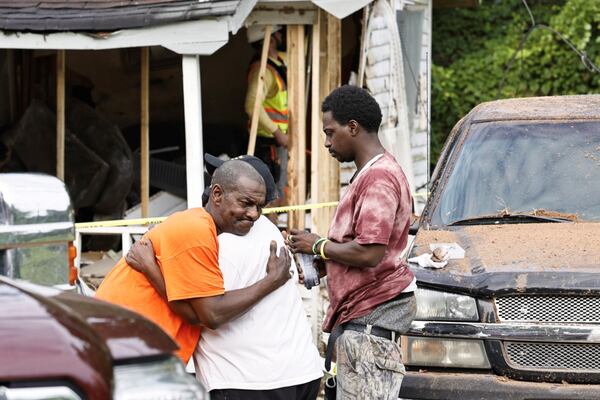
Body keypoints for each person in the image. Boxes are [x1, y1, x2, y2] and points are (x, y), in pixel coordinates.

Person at [126, 154, 323, 400]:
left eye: (253, 203)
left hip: (251, 381)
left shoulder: (229, 241)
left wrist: (151, 268)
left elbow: (206, 313)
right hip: (301, 372)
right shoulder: (267, 230)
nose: (209, 190)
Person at [287, 85, 417, 399]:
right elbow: (363, 249)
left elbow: (371, 252)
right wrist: (325, 264)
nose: (327, 142)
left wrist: (317, 246)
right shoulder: (369, 174)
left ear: (354, 127)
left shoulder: (378, 178)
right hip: (362, 316)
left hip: (372, 315)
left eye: (330, 132)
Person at [95, 159, 291, 363]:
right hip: (123, 349)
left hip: (132, 348)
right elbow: (211, 314)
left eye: (259, 207)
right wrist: (271, 281)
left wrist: (152, 270)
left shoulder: (204, 228)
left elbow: (196, 312)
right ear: (217, 194)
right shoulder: (196, 230)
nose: (254, 214)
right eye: (246, 203)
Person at [245, 25, 288, 201]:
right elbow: (251, 105)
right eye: (278, 32)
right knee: (272, 194)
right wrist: (277, 133)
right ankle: (273, 226)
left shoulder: (278, 62)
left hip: (278, 142)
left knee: (281, 188)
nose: (282, 35)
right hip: (269, 144)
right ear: (270, 39)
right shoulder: (263, 71)